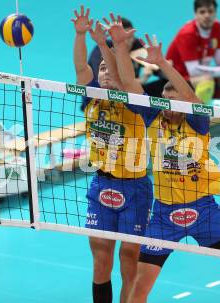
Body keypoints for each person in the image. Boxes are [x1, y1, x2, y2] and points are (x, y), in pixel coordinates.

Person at [118, 33, 220, 303]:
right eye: (164, 102)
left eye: (173, 101)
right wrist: (119, 45)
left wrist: (164, 64)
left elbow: (191, 97)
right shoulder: (153, 117)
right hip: (164, 216)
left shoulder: (197, 123)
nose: (168, 108)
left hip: (205, 212)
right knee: (140, 287)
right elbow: (130, 85)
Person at [72, 6, 154, 303]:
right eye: (102, 69)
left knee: (129, 260)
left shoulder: (135, 101)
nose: (105, 73)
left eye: (110, 69)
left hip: (134, 187)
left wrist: (111, 47)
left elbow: (124, 80)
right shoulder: (93, 96)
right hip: (101, 185)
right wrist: (82, 36)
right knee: (101, 259)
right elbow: (83, 69)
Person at [166, 0, 220, 135]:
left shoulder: (216, 26)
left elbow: (219, 56)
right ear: (195, 14)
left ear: (215, 13)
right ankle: (196, 124)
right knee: (206, 82)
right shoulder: (187, 34)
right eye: (202, 12)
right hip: (179, 77)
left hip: (202, 72)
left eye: (210, 11)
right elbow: (193, 70)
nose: (207, 15)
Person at [86, 16, 166, 101]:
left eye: (130, 36)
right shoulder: (102, 49)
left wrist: (163, 65)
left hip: (131, 93)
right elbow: (101, 81)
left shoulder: (137, 46)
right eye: (124, 37)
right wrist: (142, 80)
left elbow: (161, 73)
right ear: (114, 37)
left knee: (166, 84)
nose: (128, 41)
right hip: (101, 93)